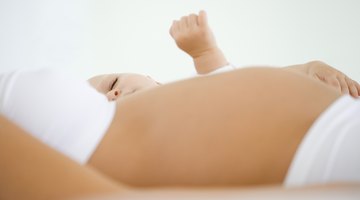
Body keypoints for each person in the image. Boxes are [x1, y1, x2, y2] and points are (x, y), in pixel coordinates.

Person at [0, 10, 359, 190]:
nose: (111, 94)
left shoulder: (193, 104)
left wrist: (310, 69)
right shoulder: (189, 122)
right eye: (101, 98)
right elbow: (230, 84)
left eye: (111, 82)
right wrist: (205, 51)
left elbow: (236, 86)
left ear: (157, 82)